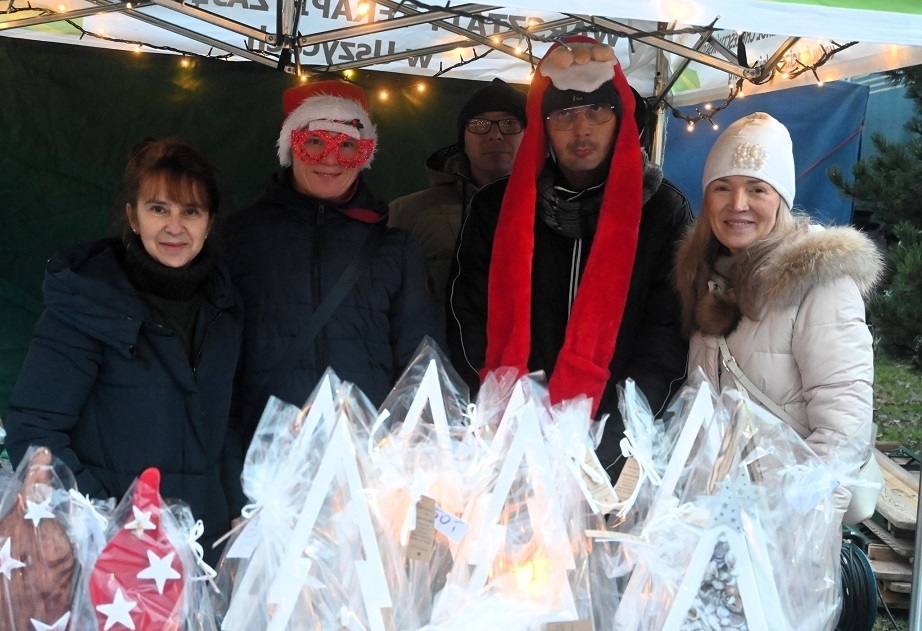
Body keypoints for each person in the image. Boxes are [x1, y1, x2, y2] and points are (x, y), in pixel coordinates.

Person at [447, 36, 692, 477]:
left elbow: (667, 338)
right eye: (565, 114)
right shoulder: (494, 207)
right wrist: (505, 412)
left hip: (614, 448)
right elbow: (467, 314)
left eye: (597, 111)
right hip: (511, 439)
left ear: (620, 120)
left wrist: (614, 437)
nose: (582, 130)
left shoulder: (662, 210)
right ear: (543, 125)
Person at [6, 138, 244, 562]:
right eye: (159, 209)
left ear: (209, 223)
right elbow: (36, 428)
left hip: (202, 546)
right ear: (133, 217)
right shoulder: (88, 301)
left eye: (191, 211)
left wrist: (235, 507)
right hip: (112, 557)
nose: (175, 226)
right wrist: (107, 519)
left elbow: (223, 423)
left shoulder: (223, 306)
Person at [675, 112, 884, 511]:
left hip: (781, 527)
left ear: (781, 198)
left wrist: (797, 531)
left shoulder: (820, 282)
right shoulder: (707, 277)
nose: (738, 205)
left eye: (757, 189)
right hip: (715, 519)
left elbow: (844, 431)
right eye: (722, 188)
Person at [223, 80, 443, 446]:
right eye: (314, 142)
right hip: (267, 451)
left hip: (367, 454)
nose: (329, 159)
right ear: (291, 146)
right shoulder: (240, 238)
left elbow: (419, 364)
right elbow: (217, 360)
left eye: (346, 145)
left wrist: (414, 456)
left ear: (365, 153)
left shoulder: (395, 247)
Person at [388, 78, 527, 304]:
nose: (495, 135)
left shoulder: (556, 211)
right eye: (480, 124)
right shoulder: (410, 213)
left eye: (510, 124)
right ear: (463, 137)